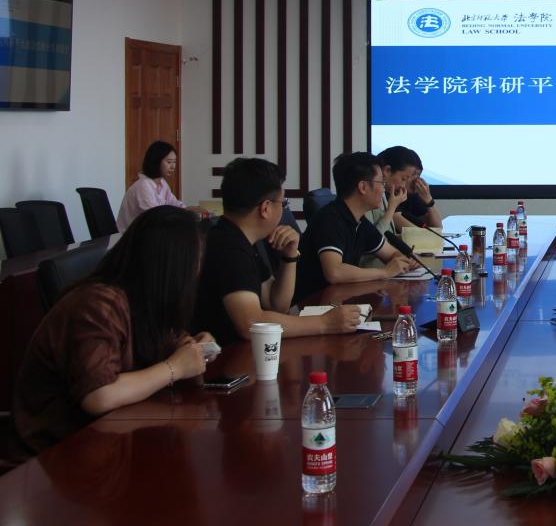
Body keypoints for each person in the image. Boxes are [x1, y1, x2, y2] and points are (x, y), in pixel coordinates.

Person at [13, 206, 217, 453]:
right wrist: (175, 367)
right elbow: (99, 395)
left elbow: (164, 339)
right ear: (169, 267)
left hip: (113, 439)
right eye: (194, 261)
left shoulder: (144, 298)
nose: (197, 271)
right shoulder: (98, 304)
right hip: (57, 455)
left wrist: (189, 347)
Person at [192, 158, 363, 343]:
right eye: (283, 203)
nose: (283, 208)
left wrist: (290, 256)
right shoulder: (229, 247)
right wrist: (325, 323)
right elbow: (251, 323)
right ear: (266, 208)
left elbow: (277, 305)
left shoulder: (242, 240)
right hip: (229, 356)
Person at [295, 152, 418, 300]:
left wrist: (403, 261)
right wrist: (385, 272)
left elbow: (391, 253)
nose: (383, 189)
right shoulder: (330, 219)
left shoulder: (359, 221)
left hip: (339, 299)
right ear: (363, 187)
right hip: (312, 304)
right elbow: (335, 272)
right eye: (381, 183)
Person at [116, 141, 204, 230]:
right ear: (156, 162)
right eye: (169, 162)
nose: (173, 167)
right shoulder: (143, 185)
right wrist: (184, 212)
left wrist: (187, 209)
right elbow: (155, 216)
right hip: (132, 235)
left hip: (149, 231)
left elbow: (173, 202)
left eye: (174, 162)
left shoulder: (162, 183)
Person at [366, 146, 424, 233]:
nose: (403, 186)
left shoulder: (383, 193)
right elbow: (374, 238)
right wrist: (391, 208)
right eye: (403, 179)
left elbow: (387, 235)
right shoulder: (368, 196)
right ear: (387, 170)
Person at [393, 148, 443, 229]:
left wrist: (429, 200)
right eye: (412, 174)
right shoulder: (389, 195)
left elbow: (438, 227)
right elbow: (415, 232)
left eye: (419, 175)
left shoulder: (413, 196)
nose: (416, 180)